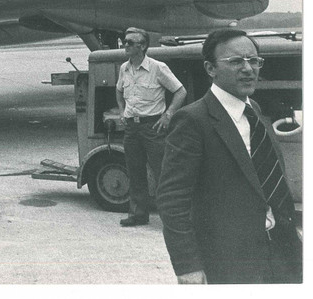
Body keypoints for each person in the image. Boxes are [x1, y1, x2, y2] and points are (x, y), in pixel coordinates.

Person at [157, 28, 302, 284]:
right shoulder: (192, 120)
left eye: (254, 60)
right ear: (210, 69)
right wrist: (187, 266)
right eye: (235, 62)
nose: (248, 69)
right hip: (231, 260)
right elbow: (172, 200)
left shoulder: (253, 110)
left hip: (280, 251)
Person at [114, 26, 186, 227]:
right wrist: (122, 111)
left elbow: (180, 91)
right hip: (132, 129)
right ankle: (138, 214)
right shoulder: (124, 68)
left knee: (163, 173)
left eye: (130, 42)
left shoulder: (157, 67)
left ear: (143, 46)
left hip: (153, 128)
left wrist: (168, 115)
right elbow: (119, 91)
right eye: (124, 41)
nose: (125, 45)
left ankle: (171, 217)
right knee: (135, 172)